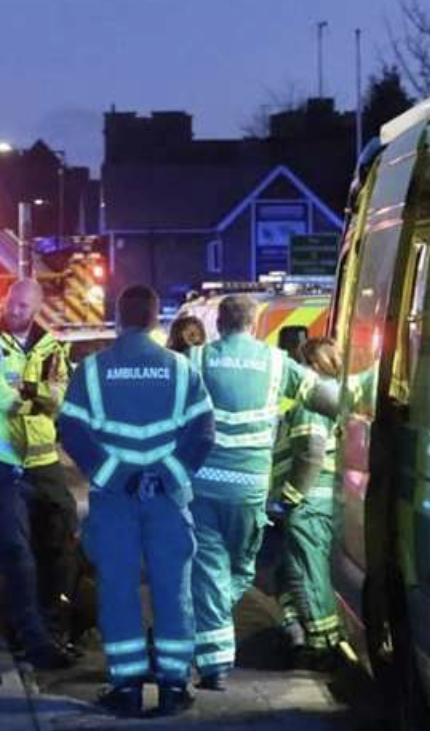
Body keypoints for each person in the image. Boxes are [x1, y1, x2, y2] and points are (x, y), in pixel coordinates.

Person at [59, 285, 215, 718]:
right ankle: (172, 687)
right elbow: (203, 435)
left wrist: (116, 476)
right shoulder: (182, 369)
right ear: (154, 320)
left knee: (118, 589)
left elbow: (71, 430)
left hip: (114, 501)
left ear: (119, 317)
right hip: (166, 500)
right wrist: (166, 477)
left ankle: (126, 687)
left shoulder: (92, 370)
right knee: (173, 589)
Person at [187, 294, 338, 690]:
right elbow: (330, 400)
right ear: (254, 325)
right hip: (249, 490)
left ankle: (209, 654)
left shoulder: (196, 359)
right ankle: (212, 653)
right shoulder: (276, 363)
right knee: (240, 570)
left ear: (219, 324)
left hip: (203, 487)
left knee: (208, 570)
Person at [0, 279, 77, 668]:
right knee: (16, 554)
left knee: (59, 545)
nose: (14, 309)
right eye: (12, 302)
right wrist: (35, 396)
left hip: (43, 463)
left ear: (36, 308)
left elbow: (59, 399)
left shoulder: (52, 346)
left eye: (23, 305)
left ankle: (52, 627)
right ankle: (31, 639)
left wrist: (27, 394)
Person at [272, 338, 345, 669]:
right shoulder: (336, 393)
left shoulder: (312, 401)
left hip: (308, 501)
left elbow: (311, 453)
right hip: (321, 498)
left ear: (312, 365)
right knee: (298, 570)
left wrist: (289, 497)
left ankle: (321, 645)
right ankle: (314, 636)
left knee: (308, 572)